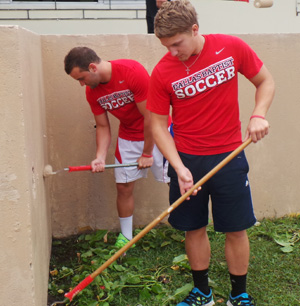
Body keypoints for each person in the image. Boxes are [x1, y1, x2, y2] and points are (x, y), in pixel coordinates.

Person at [147, 1, 275, 306]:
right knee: (194, 227)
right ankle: (202, 293)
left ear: (195, 29)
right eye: (166, 46)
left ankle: (238, 294)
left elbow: (265, 81)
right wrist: (178, 167)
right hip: (186, 158)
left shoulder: (230, 48)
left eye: (177, 43)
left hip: (229, 156)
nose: (172, 52)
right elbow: (157, 126)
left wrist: (258, 114)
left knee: (235, 227)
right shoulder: (163, 71)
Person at [64, 47, 170, 250]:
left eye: (82, 78)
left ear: (93, 67)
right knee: (123, 187)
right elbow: (103, 126)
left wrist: (147, 153)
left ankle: (189, 228)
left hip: (158, 134)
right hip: (128, 137)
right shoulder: (92, 91)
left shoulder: (131, 71)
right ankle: (126, 237)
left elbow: (150, 118)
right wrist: (100, 157)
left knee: (174, 183)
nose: (81, 84)